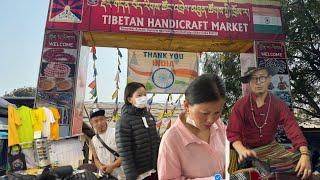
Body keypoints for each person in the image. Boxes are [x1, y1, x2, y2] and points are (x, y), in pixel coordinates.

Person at [227, 67, 312, 179]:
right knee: (252, 161)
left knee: (301, 159)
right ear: (249, 83)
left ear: (269, 79)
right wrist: (241, 150)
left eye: (262, 78)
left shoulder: (279, 105)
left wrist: (305, 154)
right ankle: (257, 170)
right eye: (253, 79)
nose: (258, 82)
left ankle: (262, 171)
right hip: (248, 150)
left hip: (272, 148)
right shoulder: (240, 105)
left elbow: (292, 127)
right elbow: (233, 133)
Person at [157, 74, 226, 180]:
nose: (211, 120)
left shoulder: (219, 125)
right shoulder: (172, 140)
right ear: (186, 106)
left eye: (217, 112)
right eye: (204, 113)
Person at [116, 82, 160, 180]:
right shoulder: (124, 121)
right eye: (139, 95)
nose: (143, 97)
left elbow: (156, 140)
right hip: (139, 175)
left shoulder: (149, 116)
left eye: (145, 95)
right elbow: (125, 152)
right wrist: (132, 175)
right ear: (129, 99)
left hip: (154, 170)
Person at [89, 109, 124, 179]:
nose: (99, 123)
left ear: (105, 119)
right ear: (92, 124)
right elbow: (95, 158)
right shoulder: (93, 140)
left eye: (101, 119)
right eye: (96, 121)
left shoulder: (117, 133)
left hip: (121, 174)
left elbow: (125, 155)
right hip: (104, 175)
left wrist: (112, 166)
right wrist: (100, 167)